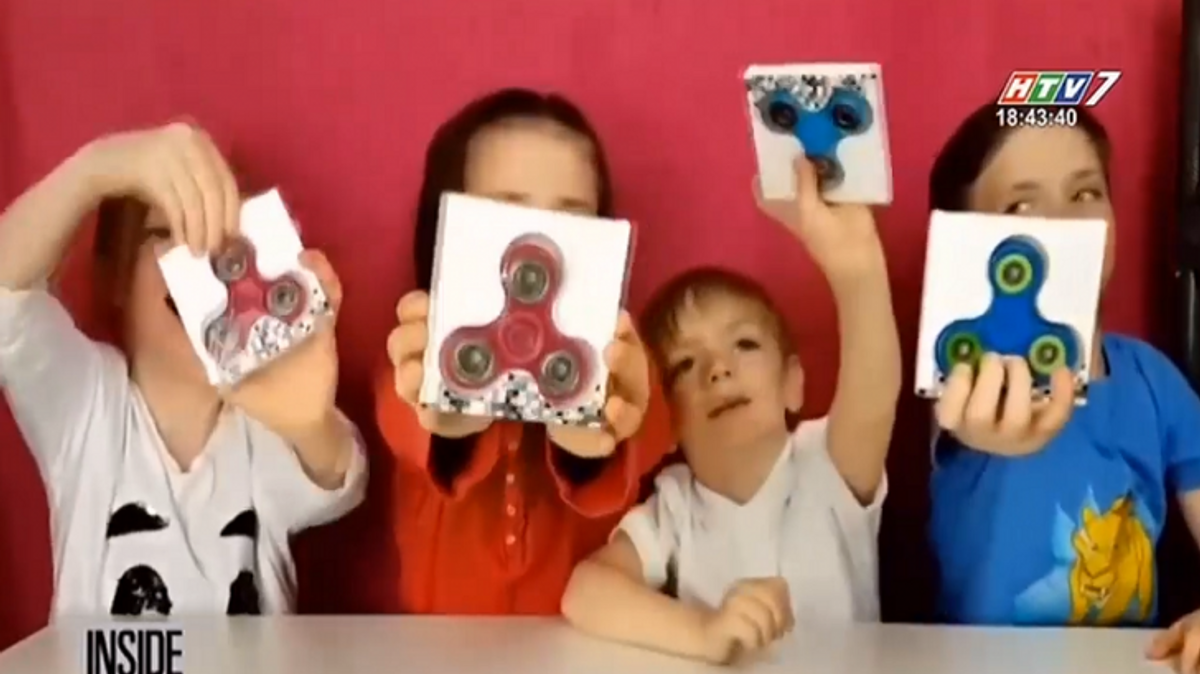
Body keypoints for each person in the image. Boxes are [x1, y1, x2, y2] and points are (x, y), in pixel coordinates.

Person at [0, 123, 366, 616]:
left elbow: (339, 476)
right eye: (175, 230)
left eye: (230, 244)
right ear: (117, 277)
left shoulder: (260, 418)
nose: (209, 267)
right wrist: (99, 170)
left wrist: (310, 426)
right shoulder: (91, 404)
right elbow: (6, 297)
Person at [560, 156, 900, 664]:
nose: (718, 370)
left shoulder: (827, 464)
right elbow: (584, 593)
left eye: (744, 344)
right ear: (665, 421)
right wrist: (704, 632)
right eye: (685, 364)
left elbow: (874, 389)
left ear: (793, 384)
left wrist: (857, 268)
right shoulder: (674, 508)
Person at [377, 88, 674, 614]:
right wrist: (447, 418)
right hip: (436, 646)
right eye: (504, 214)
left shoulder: (623, 355)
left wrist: (590, 442)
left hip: (586, 643)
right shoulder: (415, 346)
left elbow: (645, 428)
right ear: (445, 231)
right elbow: (400, 413)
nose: (537, 246)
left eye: (573, 220)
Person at [927, 103, 1200, 672]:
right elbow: (959, 422)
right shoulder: (960, 373)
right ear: (964, 241)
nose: (1063, 222)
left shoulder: (1155, 381)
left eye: (1085, 193)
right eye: (1021, 205)